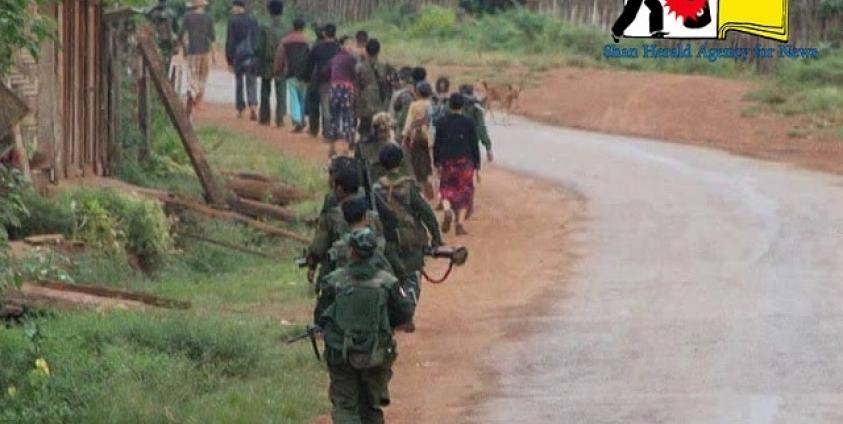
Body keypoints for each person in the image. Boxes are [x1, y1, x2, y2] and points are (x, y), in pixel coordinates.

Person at [317, 228, 413, 424]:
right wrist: (385, 323)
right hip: (376, 354)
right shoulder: (388, 282)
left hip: (340, 353)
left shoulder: (334, 281)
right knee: (371, 405)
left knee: (345, 406)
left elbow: (320, 317)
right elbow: (404, 312)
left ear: (351, 251)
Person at [374, 144, 442, 332]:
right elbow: (426, 212)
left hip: (386, 243)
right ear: (401, 161)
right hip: (411, 242)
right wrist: (436, 237)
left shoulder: (375, 189)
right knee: (412, 278)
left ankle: (393, 315)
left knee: (391, 279)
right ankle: (407, 314)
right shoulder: (409, 186)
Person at [434, 94, 480, 236]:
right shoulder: (469, 122)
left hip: (447, 161)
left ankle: (447, 210)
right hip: (465, 161)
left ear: (449, 105)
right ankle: (459, 223)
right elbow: (474, 145)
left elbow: (437, 144)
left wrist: (436, 162)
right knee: (465, 191)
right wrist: (477, 166)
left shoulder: (441, 122)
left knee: (446, 188)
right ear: (462, 106)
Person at [304, 23, 340, 139]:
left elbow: (310, 64)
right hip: (338, 80)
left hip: (323, 80)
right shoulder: (338, 48)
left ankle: (322, 132)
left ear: (324, 33)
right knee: (334, 107)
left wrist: (306, 78)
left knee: (324, 107)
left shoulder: (318, 48)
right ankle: (334, 131)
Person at [275, 17, 311, 133]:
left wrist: (277, 71)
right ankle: (302, 118)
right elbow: (311, 57)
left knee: (294, 97)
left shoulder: (285, 41)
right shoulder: (307, 41)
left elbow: (280, 57)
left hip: (290, 72)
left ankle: (297, 120)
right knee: (302, 97)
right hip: (304, 73)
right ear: (303, 27)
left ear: (293, 26)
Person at [226, 0, 260, 120]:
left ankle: (240, 109)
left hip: (238, 57)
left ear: (236, 7)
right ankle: (253, 106)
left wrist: (229, 60)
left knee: (239, 83)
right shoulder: (253, 20)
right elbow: (257, 39)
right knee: (252, 82)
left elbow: (230, 41)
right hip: (251, 56)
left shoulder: (232, 21)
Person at [255, 0, 287, 127]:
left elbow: (259, 47)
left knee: (265, 90)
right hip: (282, 62)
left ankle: (264, 118)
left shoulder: (264, 26)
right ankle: (280, 118)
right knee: (281, 91)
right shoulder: (287, 27)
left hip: (267, 62)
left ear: (269, 10)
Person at [402, 81, 435, 199]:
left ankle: (422, 191)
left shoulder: (414, 105)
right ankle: (429, 181)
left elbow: (409, 122)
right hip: (430, 138)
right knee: (428, 161)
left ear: (418, 92)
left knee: (417, 163)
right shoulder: (431, 105)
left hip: (416, 137)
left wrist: (405, 136)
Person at [178, 0, 215, 107]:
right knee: (203, 75)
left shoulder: (187, 16)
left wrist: (182, 48)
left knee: (192, 74)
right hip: (205, 50)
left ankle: (192, 93)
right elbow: (212, 37)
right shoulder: (209, 18)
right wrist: (213, 55)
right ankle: (199, 99)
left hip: (193, 50)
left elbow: (181, 34)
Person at [327, 36, 358, 156]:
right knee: (347, 118)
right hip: (345, 90)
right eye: (348, 44)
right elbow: (355, 76)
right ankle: (345, 149)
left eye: (352, 44)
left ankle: (331, 148)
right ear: (342, 46)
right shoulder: (351, 59)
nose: (350, 46)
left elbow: (328, 72)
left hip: (333, 90)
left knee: (334, 117)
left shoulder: (334, 59)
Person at [355, 39, 387, 141]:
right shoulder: (384, 67)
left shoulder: (359, 67)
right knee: (379, 127)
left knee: (364, 128)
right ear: (379, 51)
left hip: (364, 101)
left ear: (366, 50)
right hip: (380, 102)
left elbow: (356, 86)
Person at [145, 0, 179, 71]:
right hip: (169, 39)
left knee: (160, 58)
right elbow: (176, 29)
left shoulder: (153, 13)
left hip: (158, 39)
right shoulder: (171, 13)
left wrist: (154, 7)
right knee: (170, 59)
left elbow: (145, 13)